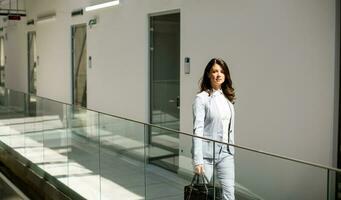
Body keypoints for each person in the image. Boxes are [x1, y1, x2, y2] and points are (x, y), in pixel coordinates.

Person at [192, 58, 236, 200]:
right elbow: (197, 130)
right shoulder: (202, 98)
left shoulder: (227, 99)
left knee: (229, 194)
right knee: (202, 194)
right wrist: (198, 160)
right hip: (207, 155)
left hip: (226, 153)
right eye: (215, 71)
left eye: (222, 71)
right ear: (208, 74)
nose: (219, 74)